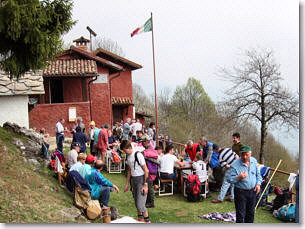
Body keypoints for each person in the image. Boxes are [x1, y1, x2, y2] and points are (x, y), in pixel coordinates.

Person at [226, 145, 262, 223]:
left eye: (247, 154)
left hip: (252, 192)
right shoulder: (235, 164)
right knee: (241, 215)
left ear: (250, 154)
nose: (245, 157)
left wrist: (258, 184)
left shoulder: (254, 161)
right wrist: (238, 177)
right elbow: (228, 178)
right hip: (240, 192)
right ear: (240, 154)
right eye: (243, 154)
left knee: (251, 214)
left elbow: (258, 175)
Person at [120, 140, 151, 223]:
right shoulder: (128, 157)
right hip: (134, 180)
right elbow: (129, 170)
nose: (124, 152)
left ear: (129, 148)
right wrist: (127, 184)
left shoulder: (138, 155)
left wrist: (145, 185)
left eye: (124, 150)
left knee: (140, 204)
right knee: (137, 201)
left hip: (141, 179)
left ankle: (148, 221)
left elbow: (146, 170)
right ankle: (140, 220)